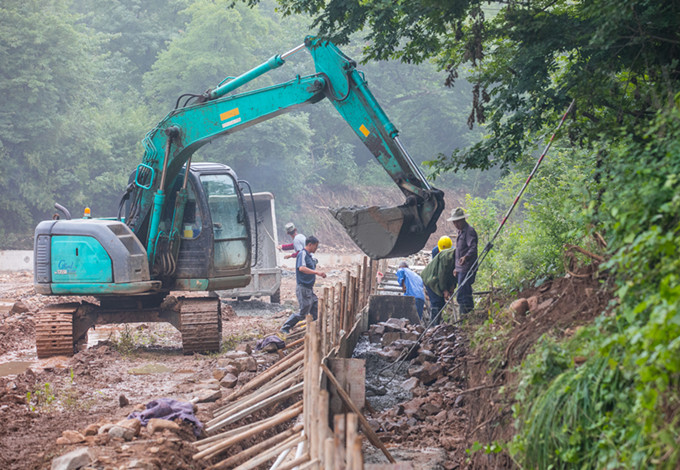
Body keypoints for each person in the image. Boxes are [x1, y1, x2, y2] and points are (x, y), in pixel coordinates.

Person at [280, 236, 327, 334]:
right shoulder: (302, 254)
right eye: (315, 246)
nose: (316, 249)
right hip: (303, 287)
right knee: (303, 312)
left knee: (315, 306)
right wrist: (316, 273)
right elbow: (301, 268)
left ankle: (316, 328)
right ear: (310, 244)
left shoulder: (309, 256)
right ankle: (285, 327)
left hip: (309, 288)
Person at [448, 207, 478, 314]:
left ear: (463, 220)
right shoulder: (460, 232)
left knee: (462, 294)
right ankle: (469, 315)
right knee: (464, 292)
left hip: (467, 268)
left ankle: (465, 317)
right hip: (461, 269)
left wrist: (466, 257)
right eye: (454, 222)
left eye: (457, 222)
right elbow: (459, 252)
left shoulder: (469, 231)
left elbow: (473, 248)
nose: (455, 224)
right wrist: (456, 268)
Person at [423, 236, 454, 325]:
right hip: (431, 279)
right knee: (436, 302)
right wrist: (444, 290)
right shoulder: (436, 251)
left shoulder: (454, 254)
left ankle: (437, 326)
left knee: (441, 303)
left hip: (441, 278)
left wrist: (451, 286)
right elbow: (441, 273)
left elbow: (451, 272)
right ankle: (433, 328)